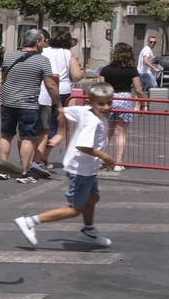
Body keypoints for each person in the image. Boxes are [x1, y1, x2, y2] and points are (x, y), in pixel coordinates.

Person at [15, 83, 117, 248]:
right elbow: (83, 146)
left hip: (87, 168)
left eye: (109, 102)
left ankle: (89, 231)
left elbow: (63, 111)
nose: (106, 107)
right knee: (75, 209)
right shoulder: (94, 122)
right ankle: (30, 221)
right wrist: (106, 156)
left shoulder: (86, 111)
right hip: (80, 169)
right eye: (101, 103)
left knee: (92, 198)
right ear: (91, 102)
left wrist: (61, 132)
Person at [0, 29, 60, 176]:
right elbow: (50, 85)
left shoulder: (10, 56)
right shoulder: (42, 60)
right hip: (28, 105)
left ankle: (2, 169)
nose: (45, 44)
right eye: (44, 41)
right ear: (37, 42)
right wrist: (59, 104)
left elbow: (3, 80)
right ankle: (24, 172)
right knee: (27, 138)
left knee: (6, 135)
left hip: (8, 102)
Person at [35, 29, 82, 172]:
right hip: (62, 92)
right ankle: (43, 157)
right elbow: (77, 76)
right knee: (55, 126)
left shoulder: (44, 52)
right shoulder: (68, 54)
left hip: (42, 91)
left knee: (41, 125)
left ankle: (36, 155)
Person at [97, 42, 144, 171]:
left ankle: (100, 159)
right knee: (121, 134)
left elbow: (102, 87)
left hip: (110, 99)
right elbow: (138, 89)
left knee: (107, 133)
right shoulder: (132, 70)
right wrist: (142, 102)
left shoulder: (105, 69)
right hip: (124, 99)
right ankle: (118, 162)